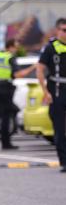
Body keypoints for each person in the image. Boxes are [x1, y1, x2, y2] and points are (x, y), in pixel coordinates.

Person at [0, 39, 35, 150]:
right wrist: (33, 67)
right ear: (10, 47)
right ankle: (5, 143)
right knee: (6, 115)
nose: (16, 49)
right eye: (15, 47)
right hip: (4, 88)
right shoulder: (10, 58)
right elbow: (18, 74)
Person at [37, 18, 66, 172]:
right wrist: (45, 92)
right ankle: (64, 161)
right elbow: (40, 69)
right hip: (57, 90)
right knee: (60, 128)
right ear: (58, 30)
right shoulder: (50, 48)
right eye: (64, 30)